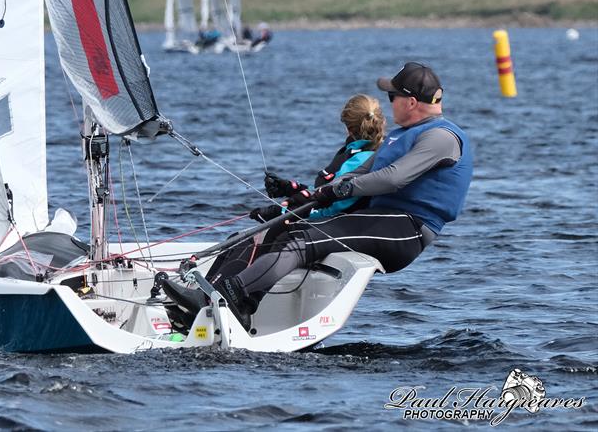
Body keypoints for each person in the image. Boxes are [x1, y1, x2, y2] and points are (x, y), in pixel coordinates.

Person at [166, 62, 472, 331]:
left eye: (393, 96)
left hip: (408, 229)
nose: (389, 102)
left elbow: (394, 178)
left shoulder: (441, 137)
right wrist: (313, 195)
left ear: (411, 102)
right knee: (287, 231)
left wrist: (341, 189)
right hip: (378, 219)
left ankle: (230, 298)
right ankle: (237, 307)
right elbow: (359, 173)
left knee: (305, 241)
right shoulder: (400, 134)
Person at [163, 94, 388, 329]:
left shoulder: (361, 159)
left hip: (329, 228)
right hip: (318, 218)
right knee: (236, 240)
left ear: (348, 125)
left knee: (261, 239)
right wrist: (290, 189)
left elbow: (335, 204)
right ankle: (202, 298)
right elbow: (323, 192)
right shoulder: (352, 153)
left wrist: (286, 212)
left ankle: (234, 304)